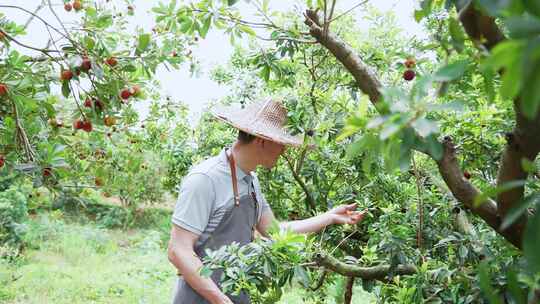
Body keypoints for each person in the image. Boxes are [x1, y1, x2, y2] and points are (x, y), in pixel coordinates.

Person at [168, 99, 366, 304]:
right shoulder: (205, 179)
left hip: (234, 295)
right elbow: (178, 250)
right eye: (281, 143)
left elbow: (275, 231)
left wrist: (330, 216)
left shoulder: (251, 180)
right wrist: (220, 299)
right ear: (262, 140)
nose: (285, 150)